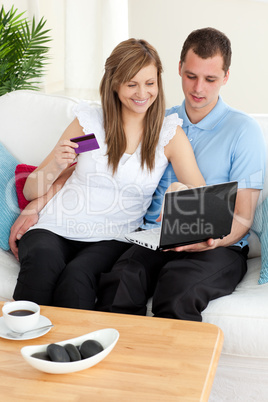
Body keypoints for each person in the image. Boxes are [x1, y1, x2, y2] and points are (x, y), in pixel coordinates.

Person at [10, 38, 205, 309]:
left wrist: (180, 193)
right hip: (54, 227)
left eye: (150, 83)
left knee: (76, 279)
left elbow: (201, 198)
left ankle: (71, 351)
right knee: (42, 264)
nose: (142, 93)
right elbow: (31, 190)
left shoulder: (167, 135)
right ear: (115, 83)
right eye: (131, 83)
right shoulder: (91, 126)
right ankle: (21, 348)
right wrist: (56, 164)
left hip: (113, 237)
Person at [95, 28, 266, 321]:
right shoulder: (159, 119)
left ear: (225, 77)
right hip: (153, 238)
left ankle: (169, 368)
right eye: (191, 76)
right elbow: (98, 140)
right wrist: (57, 173)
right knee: (120, 281)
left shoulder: (243, 131)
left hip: (217, 247)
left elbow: (243, 217)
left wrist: (212, 240)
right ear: (178, 69)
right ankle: (122, 365)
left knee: (178, 289)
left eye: (210, 79)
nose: (198, 88)